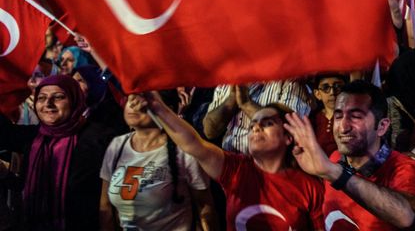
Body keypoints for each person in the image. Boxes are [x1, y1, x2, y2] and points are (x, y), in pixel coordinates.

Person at [135, 92, 324, 230]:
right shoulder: (237, 169)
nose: (256, 128)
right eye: (252, 125)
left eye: (267, 123)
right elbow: (193, 143)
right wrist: (157, 106)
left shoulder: (310, 186)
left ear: (288, 137)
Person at [284, 80, 415, 230]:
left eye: (356, 116)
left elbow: (406, 217)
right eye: (338, 116)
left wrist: (335, 173)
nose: (343, 128)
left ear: (382, 126)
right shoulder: (335, 158)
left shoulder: (403, 166)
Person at [0, 74, 116, 230]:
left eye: (58, 97)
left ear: (74, 100)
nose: (48, 104)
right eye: (41, 98)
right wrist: (6, 175)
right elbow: (24, 187)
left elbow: (110, 202)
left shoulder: (101, 139)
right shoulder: (33, 138)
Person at [99, 91, 217, 230]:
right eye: (130, 98)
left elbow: (204, 207)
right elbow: (105, 205)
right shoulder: (117, 146)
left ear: (166, 108)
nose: (133, 104)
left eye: (143, 100)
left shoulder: (183, 151)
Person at [202, 80, 312, 154]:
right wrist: (231, 99)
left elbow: (288, 130)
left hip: (270, 169)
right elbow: (209, 131)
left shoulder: (290, 83)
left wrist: (246, 103)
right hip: (231, 166)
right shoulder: (226, 83)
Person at [310, 73, 346, 157]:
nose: (332, 92)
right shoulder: (312, 119)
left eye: (337, 86)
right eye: (325, 88)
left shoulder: (353, 118)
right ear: (317, 94)